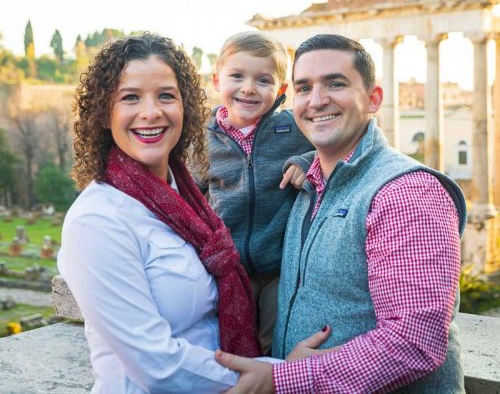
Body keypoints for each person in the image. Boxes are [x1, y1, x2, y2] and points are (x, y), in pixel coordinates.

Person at [216, 34, 467, 393]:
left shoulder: (407, 192)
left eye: (335, 83)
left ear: (374, 98)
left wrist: (282, 378)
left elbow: (415, 341)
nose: (317, 101)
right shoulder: (307, 186)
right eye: (304, 88)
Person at [57, 33, 261, 393]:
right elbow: (159, 366)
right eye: (130, 98)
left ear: (185, 108)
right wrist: (280, 375)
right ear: (105, 114)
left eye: (166, 95)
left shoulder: (187, 200)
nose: (151, 112)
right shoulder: (96, 221)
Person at [198, 31, 314, 352]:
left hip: (281, 266)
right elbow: (190, 193)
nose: (248, 87)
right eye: (237, 76)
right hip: (230, 266)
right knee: (233, 339)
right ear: (217, 81)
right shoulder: (203, 138)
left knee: (275, 342)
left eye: (263, 80)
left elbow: (335, 147)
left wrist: (307, 161)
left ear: (281, 90)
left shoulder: (293, 128)